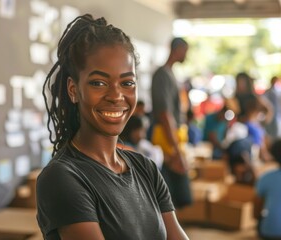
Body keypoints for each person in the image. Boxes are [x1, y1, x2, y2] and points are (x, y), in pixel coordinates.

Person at [36, 14, 189, 240]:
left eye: (127, 83)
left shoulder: (145, 168)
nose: (116, 96)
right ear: (73, 90)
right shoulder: (62, 177)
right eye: (99, 83)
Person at [151, 37, 192, 208]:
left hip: (172, 136)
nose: (186, 55)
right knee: (174, 192)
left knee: (176, 193)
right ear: (178, 49)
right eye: (185, 51)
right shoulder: (163, 74)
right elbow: (164, 114)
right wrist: (174, 147)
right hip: (166, 137)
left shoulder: (171, 74)